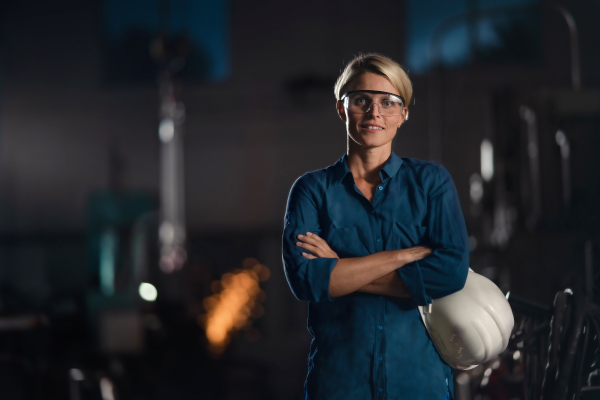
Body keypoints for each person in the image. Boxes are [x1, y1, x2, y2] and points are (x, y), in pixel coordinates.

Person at [282, 53, 469, 400]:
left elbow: (451, 273)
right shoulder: (311, 190)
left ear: (404, 112)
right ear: (341, 108)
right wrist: (404, 256)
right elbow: (306, 280)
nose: (374, 113)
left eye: (388, 102)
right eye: (361, 100)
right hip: (339, 386)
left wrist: (340, 271)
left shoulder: (431, 183)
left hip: (419, 385)